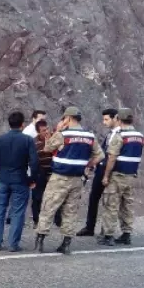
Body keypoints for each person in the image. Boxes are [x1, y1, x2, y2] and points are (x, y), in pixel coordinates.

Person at [33, 106, 103, 255]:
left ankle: (40, 242)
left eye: (64, 118)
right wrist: (87, 165)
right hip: (77, 179)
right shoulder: (90, 136)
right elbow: (100, 155)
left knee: (48, 208)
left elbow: (47, 148)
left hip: (59, 177)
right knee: (70, 211)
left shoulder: (63, 134)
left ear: (69, 118)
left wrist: (58, 130)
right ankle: (66, 244)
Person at [0, 111, 38, 252]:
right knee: (18, 212)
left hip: (2, 179)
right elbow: (34, 163)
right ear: (22, 124)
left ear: (9, 124)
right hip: (20, 180)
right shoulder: (28, 140)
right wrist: (32, 179)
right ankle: (13, 244)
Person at [98, 108, 144, 246]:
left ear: (118, 119)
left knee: (111, 205)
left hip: (117, 176)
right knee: (127, 206)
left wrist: (106, 176)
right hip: (131, 176)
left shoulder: (120, 136)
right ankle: (126, 234)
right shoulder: (140, 136)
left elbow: (112, 158)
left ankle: (108, 236)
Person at [78, 108, 120, 236]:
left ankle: (106, 230)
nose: (104, 122)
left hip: (111, 171)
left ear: (115, 118)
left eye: (107, 119)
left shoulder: (119, 134)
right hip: (101, 169)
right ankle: (90, 227)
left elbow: (112, 155)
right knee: (94, 198)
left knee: (109, 201)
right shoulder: (110, 134)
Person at [31, 116, 60, 230]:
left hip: (54, 171)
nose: (46, 132)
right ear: (38, 132)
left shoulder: (54, 138)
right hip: (40, 173)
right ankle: (36, 220)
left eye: (47, 129)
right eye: (43, 130)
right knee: (37, 197)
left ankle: (58, 220)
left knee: (57, 196)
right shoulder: (34, 142)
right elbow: (34, 157)